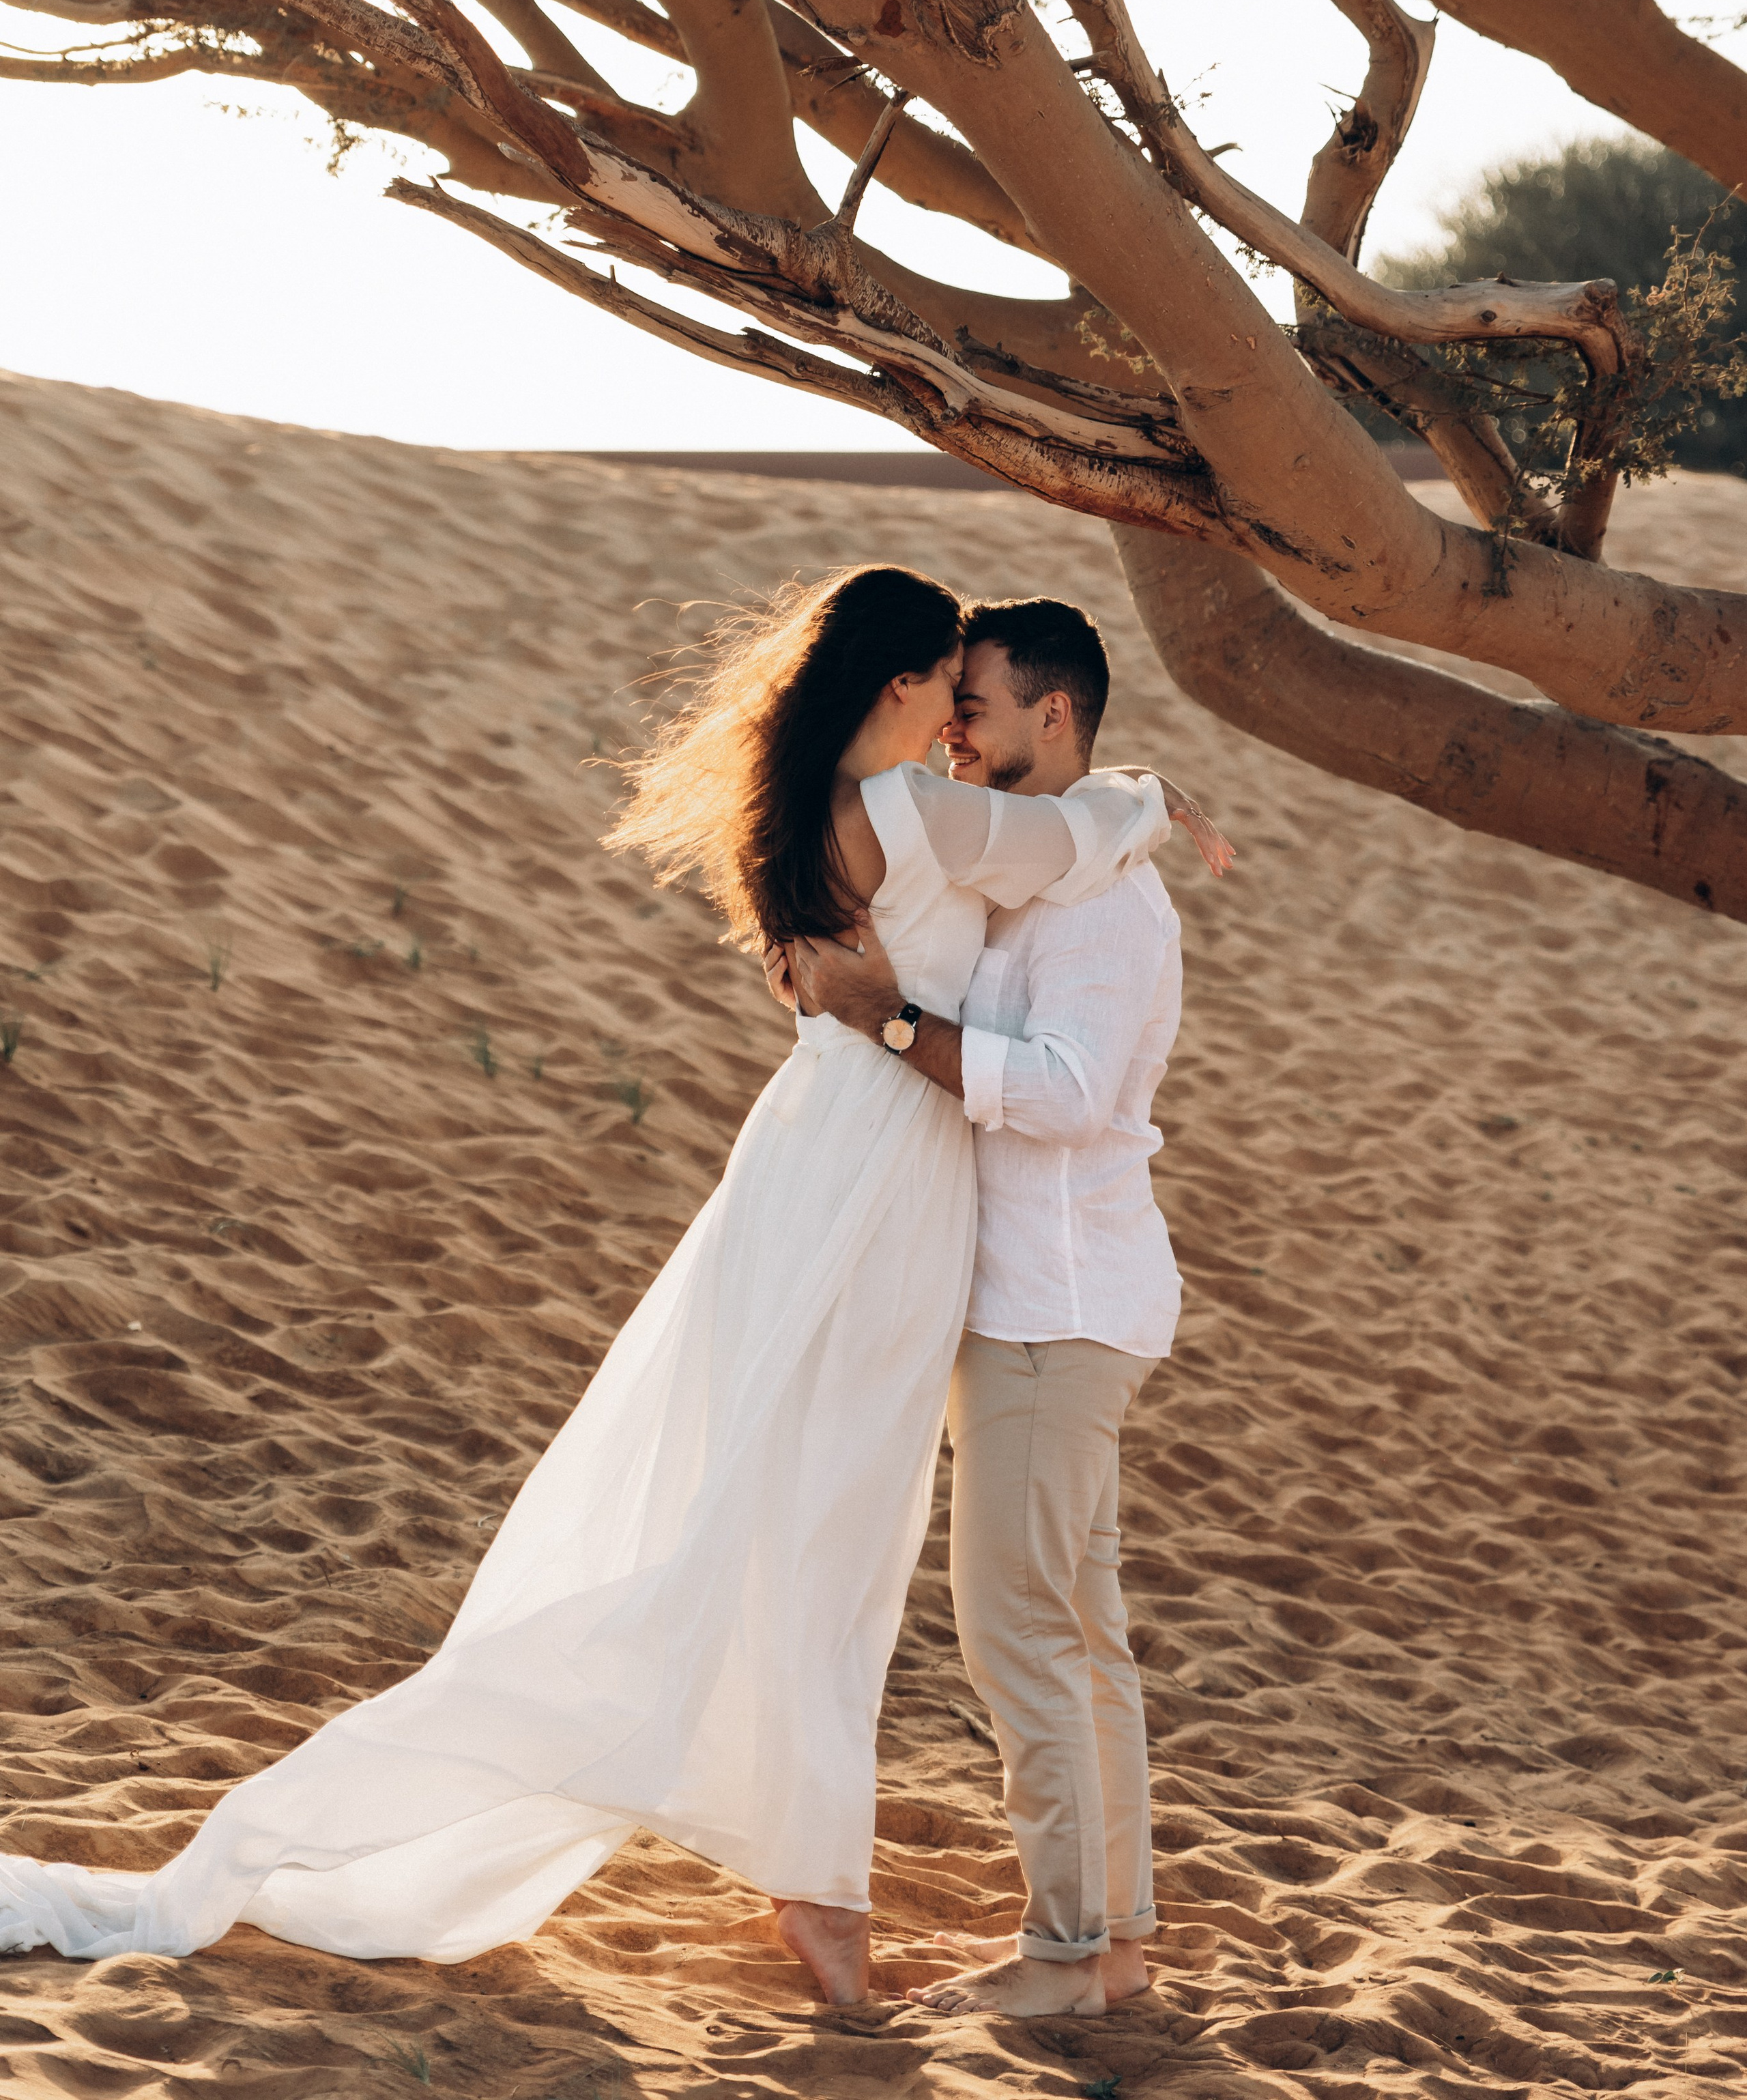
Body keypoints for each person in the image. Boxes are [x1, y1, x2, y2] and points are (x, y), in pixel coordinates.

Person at [0, 565, 1204, 2009]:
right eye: (945, 694)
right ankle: (834, 1891)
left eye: (976, 704)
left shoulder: (822, 810)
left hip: (834, 1168)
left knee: (806, 1523)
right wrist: (1148, 795)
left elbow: (1045, 881)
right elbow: (1076, 840)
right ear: (896, 688)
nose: (956, 722)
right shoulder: (908, 813)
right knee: (825, 1533)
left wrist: (1083, 821)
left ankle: (853, 1891)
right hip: (877, 1186)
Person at [781, 595, 1227, 2017]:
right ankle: (1114, 1949)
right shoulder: (1055, 862)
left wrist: (890, 1020)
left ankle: (1057, 1963)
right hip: (1044, 1299)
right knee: (1074, 1631)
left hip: (1056, 1307)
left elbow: (1065, 1091)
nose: (954, 726)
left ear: (1054, 716)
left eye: (974, 703)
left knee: (1016, 1633)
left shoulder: (1099, 899)